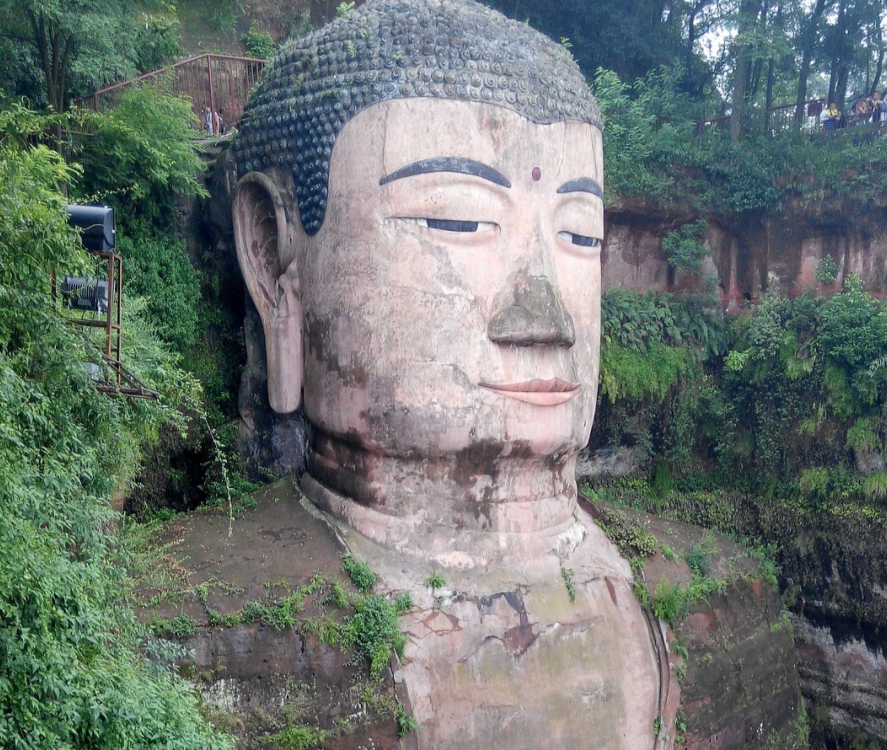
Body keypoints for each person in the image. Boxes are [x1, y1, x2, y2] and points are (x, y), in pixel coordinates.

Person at [230, 0, 669, 745]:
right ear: (275, 259)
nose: (545, 319)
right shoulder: (238, 668)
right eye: (458, 220)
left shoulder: (686, 604)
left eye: (578, 233)